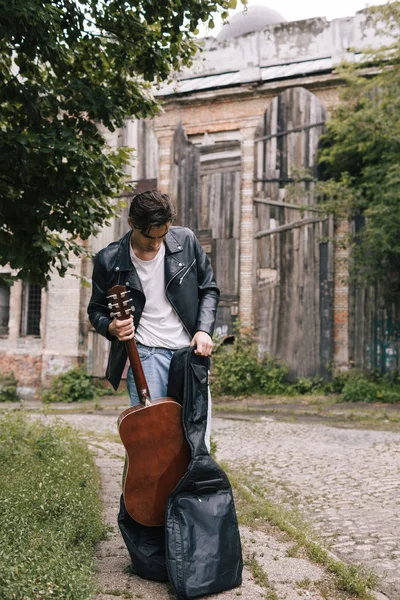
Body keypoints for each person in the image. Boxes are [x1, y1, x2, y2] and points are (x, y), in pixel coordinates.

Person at [87, 190, 219, 447]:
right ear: (132, 224)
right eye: (150, 236)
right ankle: (146, 489)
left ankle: (193, 488)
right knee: (153, 444)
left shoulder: (186, 241)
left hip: (188, 354)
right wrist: (111, 327)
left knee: (196, 438)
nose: (157, 243)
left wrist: (204, 330)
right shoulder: (109, 260)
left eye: (163, 235)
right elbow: (96, 310)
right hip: (145, 356)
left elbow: (209, 289)